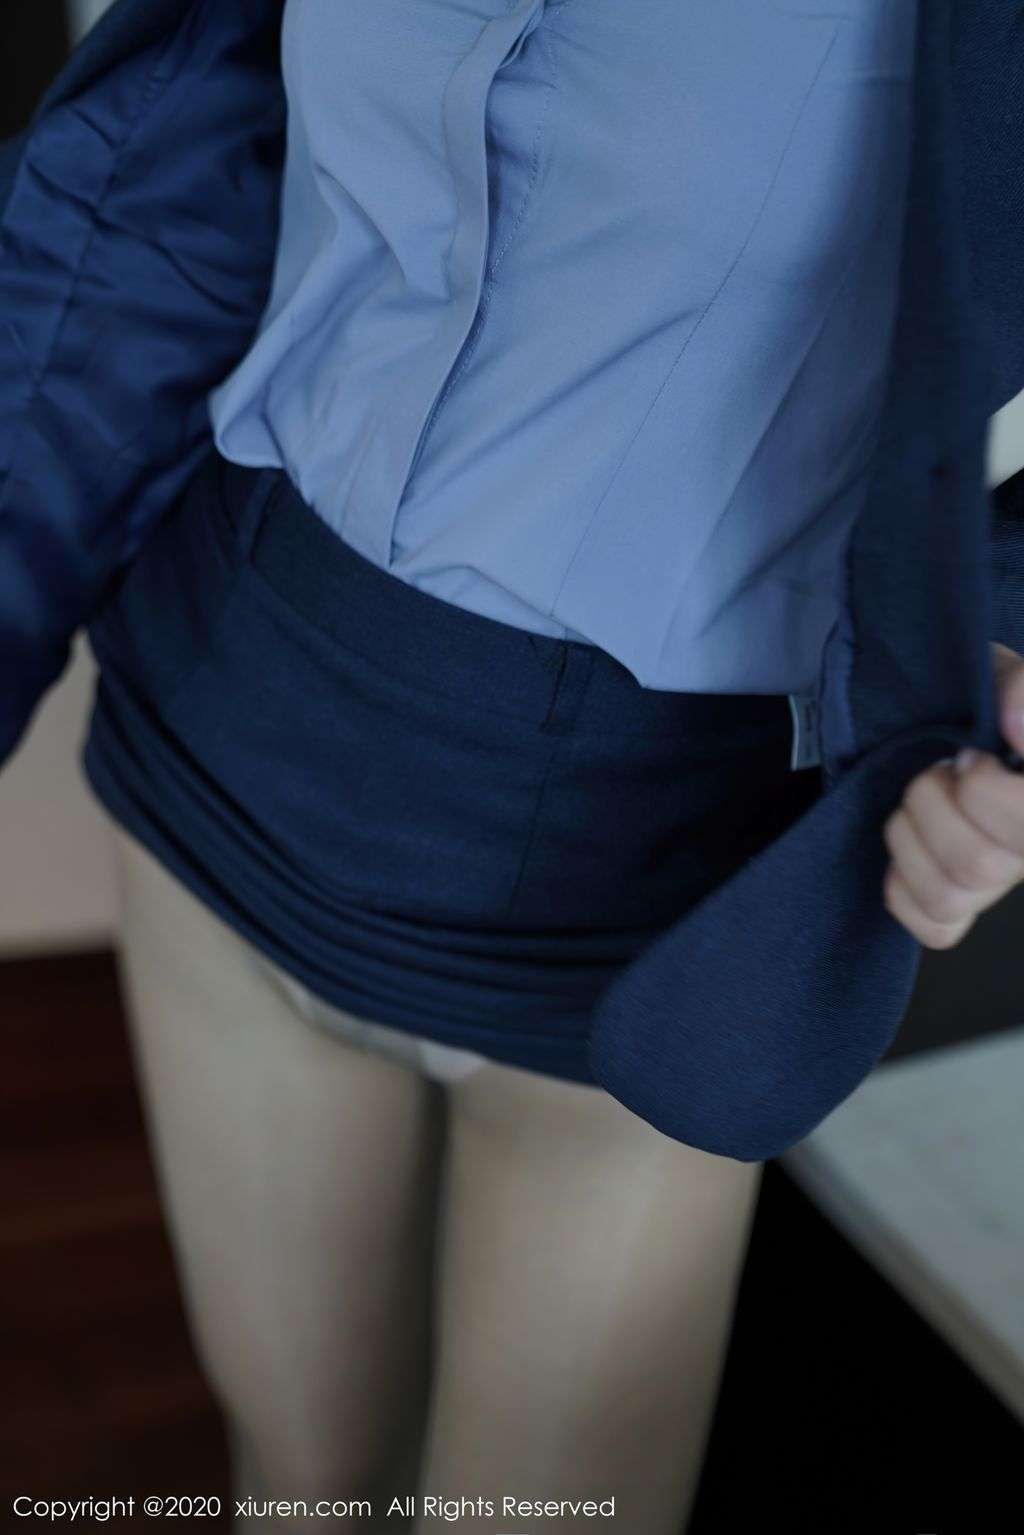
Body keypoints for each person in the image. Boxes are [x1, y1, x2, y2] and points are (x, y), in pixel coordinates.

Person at [7, 2, 1024, 1530]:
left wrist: (996, 639)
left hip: (652, 893)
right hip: (228, 712)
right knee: (298, 1495)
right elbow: (175, 166)